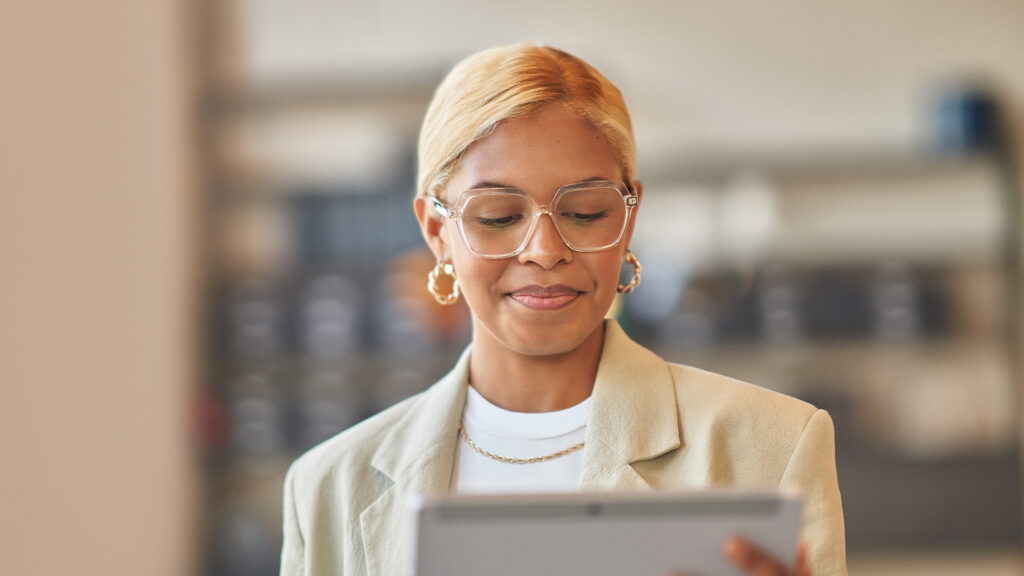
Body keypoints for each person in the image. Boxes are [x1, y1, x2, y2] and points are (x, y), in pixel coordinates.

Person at [280, 43, 846, 576]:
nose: (546, 251)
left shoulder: (773, 446)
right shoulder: (329, 487)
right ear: (437, 232)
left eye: (584, 211)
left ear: (628, 218)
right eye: (498, 216)